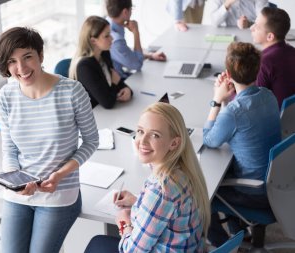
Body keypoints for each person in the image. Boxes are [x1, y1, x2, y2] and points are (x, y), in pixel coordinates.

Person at [0, 27, 99, 253]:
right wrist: (16, 181)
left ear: (40, 56)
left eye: (27, 57)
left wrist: (60, 174)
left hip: (59, 192)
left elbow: (91, 141)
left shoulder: (72, 92)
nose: (21, 68)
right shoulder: (6, 96)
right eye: (12, 61)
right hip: (20, 193)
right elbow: (9, 149)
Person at [85, 102, 211, 252]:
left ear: (174, 143)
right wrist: (138, 202)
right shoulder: (182, 169)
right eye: (140, 131)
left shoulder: (162, 189)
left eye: (155, 135)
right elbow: (168, 208)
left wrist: (124, 223)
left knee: (97, 244)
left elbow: (132, 250)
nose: (142, 141)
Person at [203, 42, 281, 247]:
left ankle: (227, 245)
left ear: (228, 73)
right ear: (258, 68)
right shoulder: (268, 95)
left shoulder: (233, 112)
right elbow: (241, 121)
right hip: (277, 185)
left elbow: (210, 140)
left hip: (255, 192)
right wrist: (229, 98)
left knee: (204, 192)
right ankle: (241, 233)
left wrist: (217, 100)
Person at [69, 16, 133, 109]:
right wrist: (115, 83)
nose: (112, 39)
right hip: (94, 115)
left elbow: (116, 78)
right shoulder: (84, 67)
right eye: (106, 36)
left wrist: (128, 90)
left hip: (108, 113)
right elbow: (108, 102)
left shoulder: (104, 54)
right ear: (93, 41)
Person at [105, 0, 167, 79]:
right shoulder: (116, 40)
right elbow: (137, 65)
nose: (132, 12)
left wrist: (150, 55)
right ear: (125, 12)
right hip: (120, 82)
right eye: (131, 8)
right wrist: (136, 32)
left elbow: (126, 54)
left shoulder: (108, 22)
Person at [251, 7, 295, 108]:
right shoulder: (292, 51)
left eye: (256, 27)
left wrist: (233, 91)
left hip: (273, 120)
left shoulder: (264, 62)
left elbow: (254, 104)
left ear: (270, 37)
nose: (251, 28)